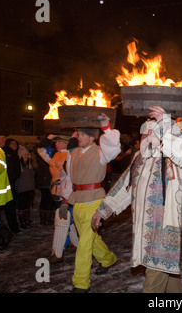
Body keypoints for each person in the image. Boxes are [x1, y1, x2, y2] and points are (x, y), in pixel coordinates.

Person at [93, 106, 182, 293]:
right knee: (168, 277)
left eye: (152, 131)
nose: (146, 136)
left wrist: (167, 127)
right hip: (143, 231)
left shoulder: (174, 158)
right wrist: (103, 210)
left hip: (164, 231)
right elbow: (124, 187)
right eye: (144, 132)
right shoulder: (139, 158)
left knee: (153, 284)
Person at [67, 114, 121, 293]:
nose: (77, 136)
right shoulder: (73, 153)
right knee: (91, 239)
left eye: (81, 134)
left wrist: (106, 126)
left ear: (91, 137)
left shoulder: (100, 152)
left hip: (95, 202)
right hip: (77, 201)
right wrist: (66, 200)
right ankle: (108, 259)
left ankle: (81, 283)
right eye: (77, 134)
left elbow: (114, 147)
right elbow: (70, 178)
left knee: (84, 244)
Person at [37, 134, 79, 264]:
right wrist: (49, 137)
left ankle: (57, 253)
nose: (56, 143)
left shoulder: (72, 155)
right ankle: (78, 246)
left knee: (62, 220)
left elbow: (73, 177)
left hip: (68, 194)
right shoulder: (55, 155)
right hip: (57, 193)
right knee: (67, 222)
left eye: (59, 141)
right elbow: (41, 149)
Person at [0, 133, 21, 234]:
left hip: (8, 184)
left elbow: (17, 167)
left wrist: (12, 178)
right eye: (1, 138)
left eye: (4, 138)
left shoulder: (10, 152)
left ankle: (14, 228)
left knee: (10, 207)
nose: (4, 140)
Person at [16, 146, 36, 229]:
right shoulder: (18, 166)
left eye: (26, 155)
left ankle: (27, 220)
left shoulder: (30, 165)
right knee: (22, 207)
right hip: (21, 189)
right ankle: (22, 221)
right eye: (24, 155)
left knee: (27, 206)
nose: (26, 156)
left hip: (29, 188)